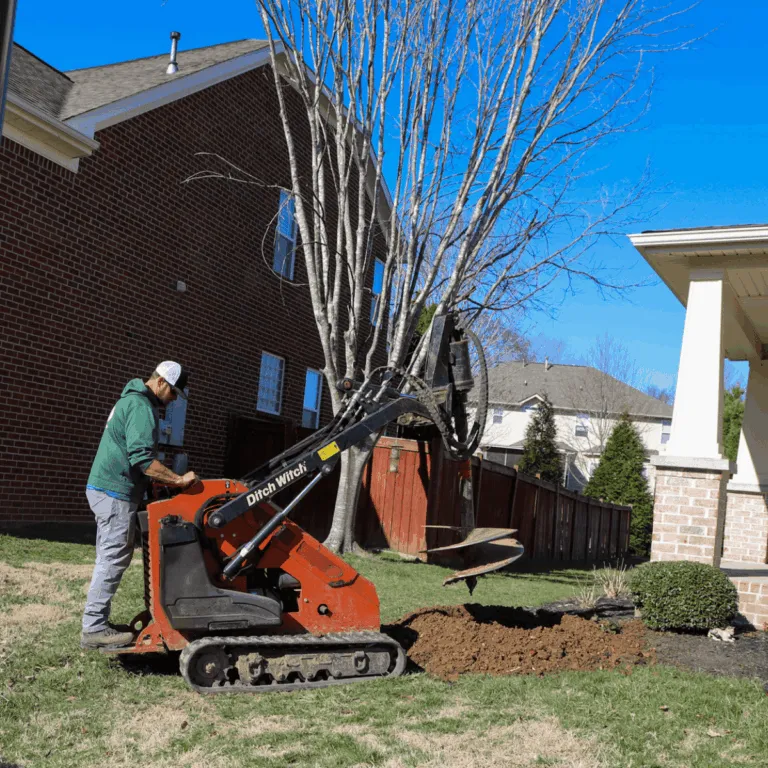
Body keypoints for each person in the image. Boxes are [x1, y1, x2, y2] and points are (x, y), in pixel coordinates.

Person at [81, 361, 199, 649]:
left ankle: (96, 623)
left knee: (111, 555)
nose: (172, 400)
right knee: (113, 557)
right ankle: (94, 627)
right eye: (173, 394)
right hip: (114, 492)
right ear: (161, 383)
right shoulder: (141, 407)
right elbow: (143, 459)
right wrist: (178, 480)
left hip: (109, 489)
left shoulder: (132, 400)